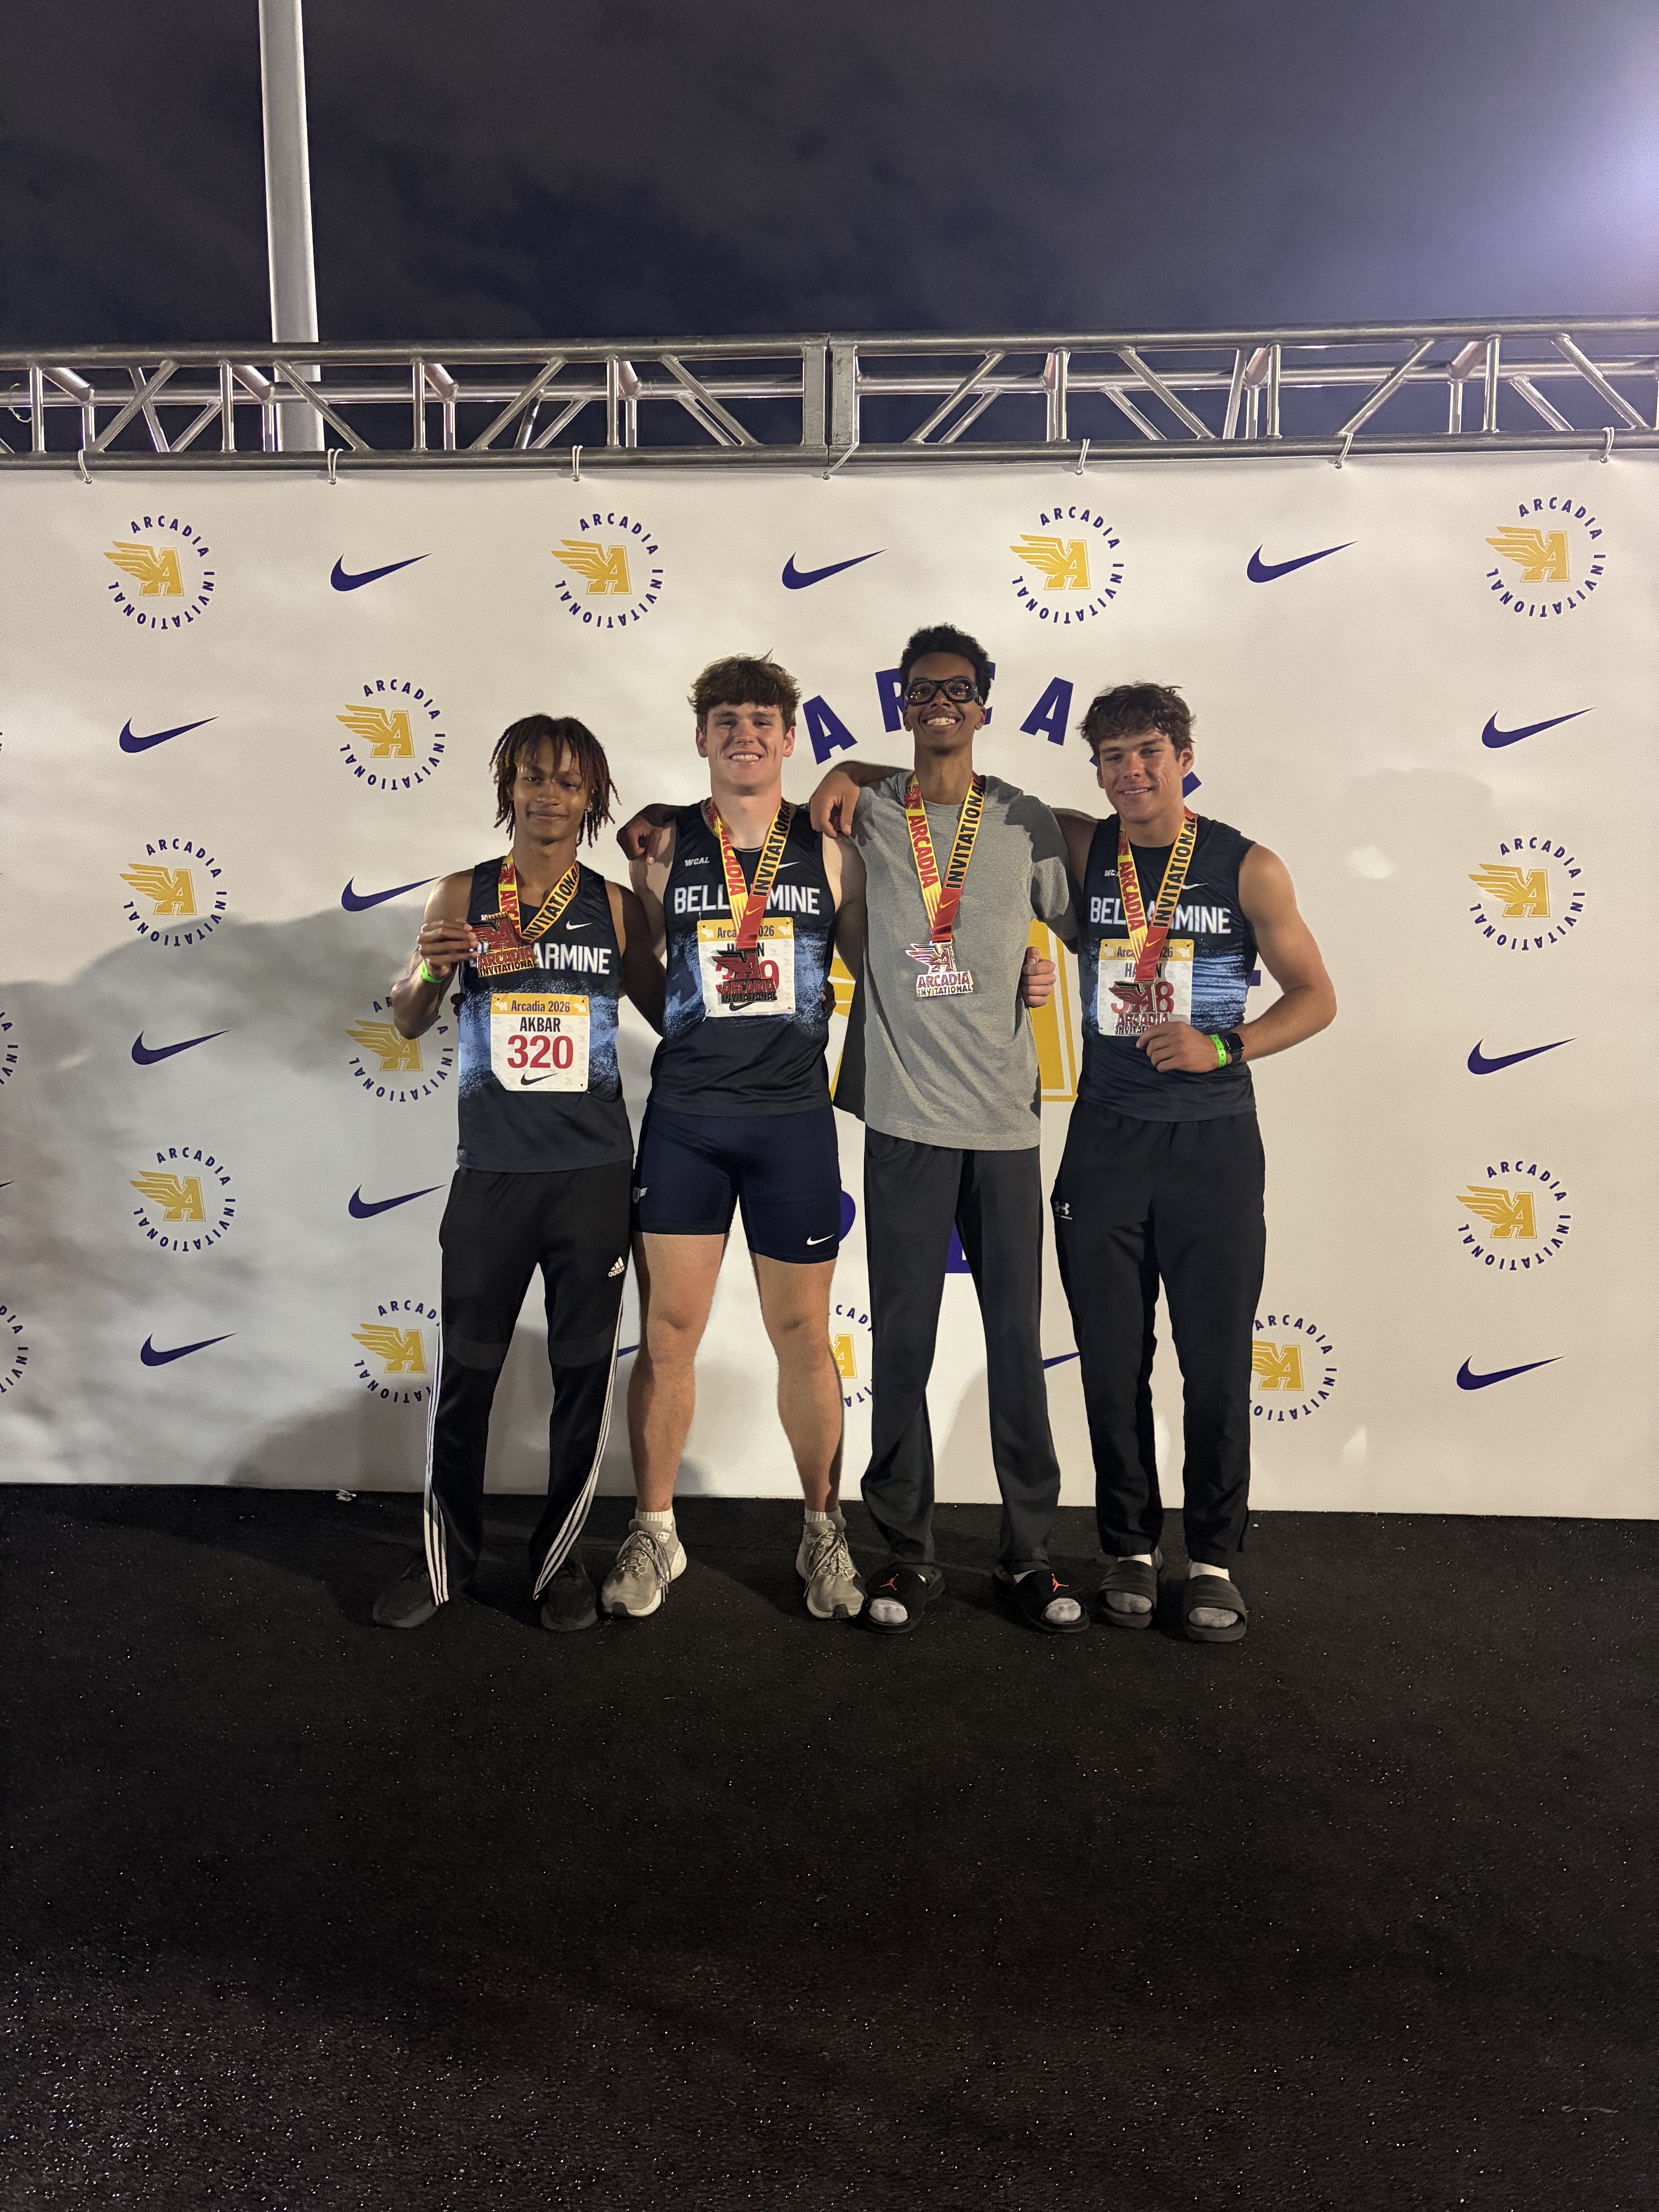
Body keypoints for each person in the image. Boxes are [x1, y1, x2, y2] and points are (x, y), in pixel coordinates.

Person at [808, 623, 1084, 1637]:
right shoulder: (865, 813)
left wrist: (1043, 967)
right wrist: (841, 768)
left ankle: (1029, 1556)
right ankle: (908, 1554)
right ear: (902, 702)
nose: (940, 704)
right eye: (923, 690)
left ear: (983, 705)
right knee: (904, 1347)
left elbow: (1079, 926)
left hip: (1006, 1124)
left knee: (1016, 1346)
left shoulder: (1023, 821)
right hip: (905, 1118)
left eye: (958, 690)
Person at [1046, 682, 1336, 1642]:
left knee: (1213, 1367)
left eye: (1148, 753)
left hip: (1212, 1144)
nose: (1132, 772)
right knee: (1112, 1363)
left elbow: (1316, 996)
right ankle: (1129, 1547)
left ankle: (1211, 1559)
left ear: (1184, 757)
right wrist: (846, 773)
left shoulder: (1248, 867)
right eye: (1113, 757)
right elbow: (960, 794)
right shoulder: (1084, 849)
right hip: (1107, 1141)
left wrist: (1227, 1044)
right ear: (1097, 769)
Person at [372, 714, 664, 1634]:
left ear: (591, 798)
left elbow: (674, 1012)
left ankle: (558, 1563)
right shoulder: (463, 892)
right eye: (535, 777)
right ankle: (444, 1562)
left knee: (582, 1379)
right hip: (492, 1173)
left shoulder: (615, 906)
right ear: (510, 788)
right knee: (467, 1374)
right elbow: (409, 1019)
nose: (550, 795)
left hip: (592, 1176)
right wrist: (431, 969)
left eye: (569, 783)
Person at [610, 654, 868, 1623]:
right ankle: (655, 1529)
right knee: (667, 1334)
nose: (745, 735)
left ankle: (823, 1530)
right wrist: (693, 1037)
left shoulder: (833, 846)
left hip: (792, 1122)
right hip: (688, 1120)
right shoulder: (661, 844)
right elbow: (644, 971)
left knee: (803, 1336)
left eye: (763, 720)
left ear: (791, 738)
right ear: (701, 737)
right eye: (727, 720)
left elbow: (885, 966)